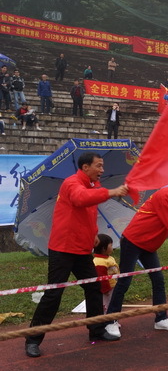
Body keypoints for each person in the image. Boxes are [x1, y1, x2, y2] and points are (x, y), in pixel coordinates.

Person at [24, 153, 129, 357]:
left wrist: (93, 236)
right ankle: (33, 339)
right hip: (63, 249)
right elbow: (81, 200)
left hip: (82, 250)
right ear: (85, 167)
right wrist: (111, 191)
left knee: (93, 288)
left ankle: (96, 330)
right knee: (54, 294)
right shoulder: (71, 184)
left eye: (102, 166)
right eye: (98, 166)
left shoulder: (93, 187)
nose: (102, 170)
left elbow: (86, 214)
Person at [104, 168, 168, 335]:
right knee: (125, 281)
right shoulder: (165, 195)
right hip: (133, 241)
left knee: (158, 280)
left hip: (149, 245)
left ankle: (161, 318)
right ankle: (111, 320)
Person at [93, 234, 119, 313]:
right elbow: (101, 277)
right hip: (107, 289)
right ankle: (107, 321)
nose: (112, 246)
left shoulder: (109, 258)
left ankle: (113, 320)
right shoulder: (99, 261)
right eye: (111, 245)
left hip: (114, 286)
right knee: (107, 305)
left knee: (114, 303)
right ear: (104, 248)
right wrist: (106, 289)